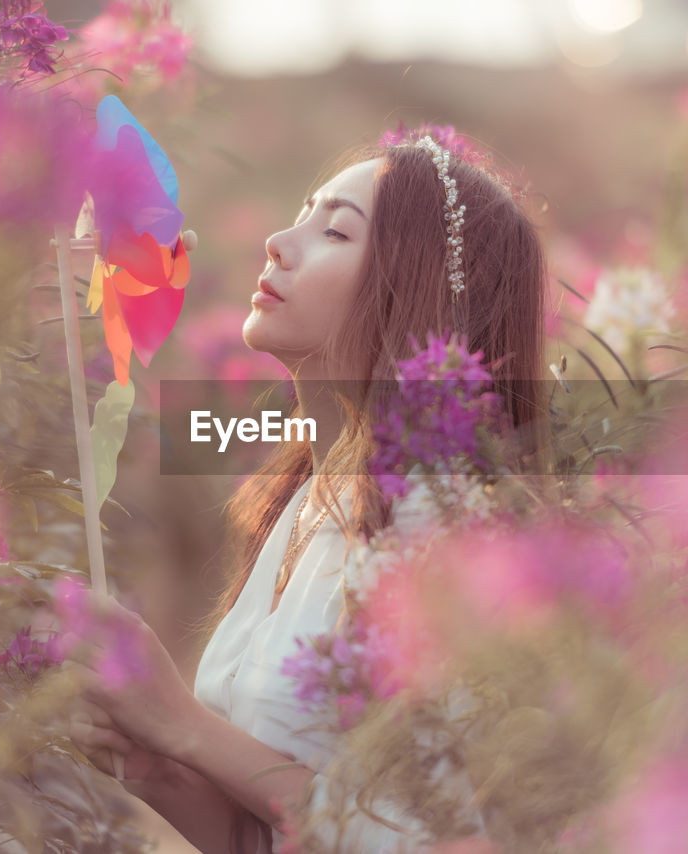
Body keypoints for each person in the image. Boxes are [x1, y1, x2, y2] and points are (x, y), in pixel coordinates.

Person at [67, 129, 550, 853]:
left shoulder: (446, 521)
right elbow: (264, 840)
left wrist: (185, 726)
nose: (277, 242)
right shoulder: (307, 500)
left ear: (410, 286)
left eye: (335, 231)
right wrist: (154, 763)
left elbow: (436, 839)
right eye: (300, 214)